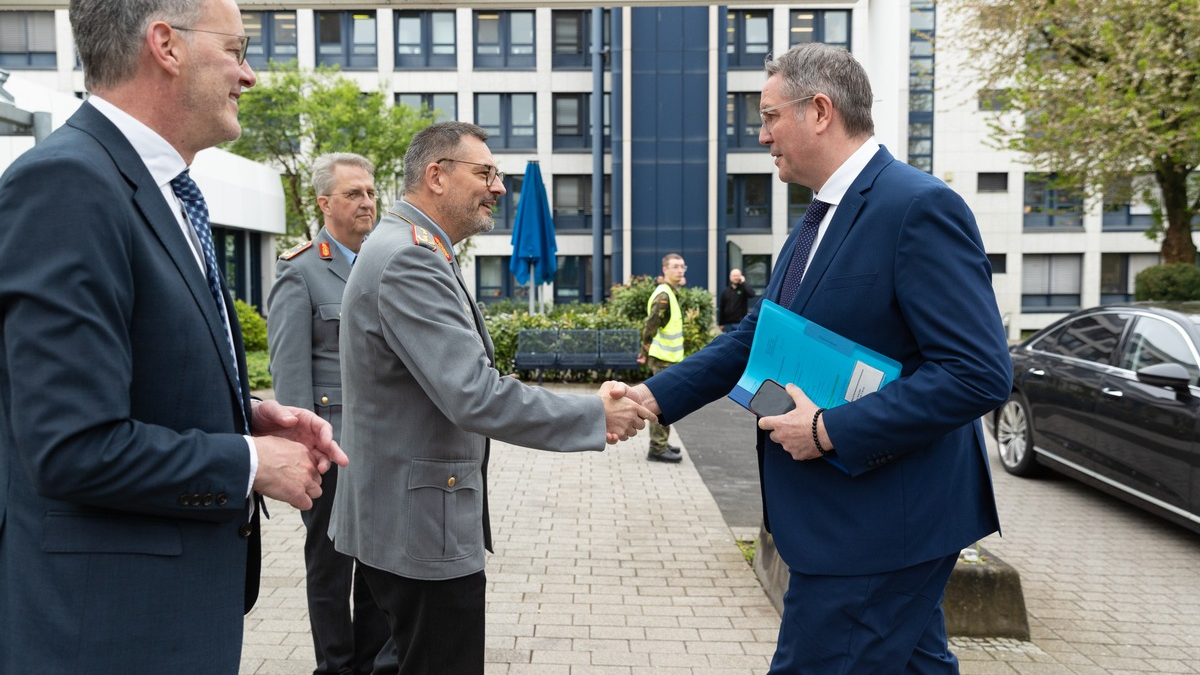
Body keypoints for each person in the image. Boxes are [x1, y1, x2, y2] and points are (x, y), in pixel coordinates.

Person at [629, 43, 1012, 674]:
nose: (762, 134)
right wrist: (654, 396)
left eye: (770, 115)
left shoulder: (916, 207)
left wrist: (828, 431)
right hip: (859, 522)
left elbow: (977, 374)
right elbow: (757, 335)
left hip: (878, 526)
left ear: (820, 111)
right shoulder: (818, 217)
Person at [0, 1, 347, 673]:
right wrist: (249, 460)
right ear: (166, 45)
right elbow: (72, 445)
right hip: (105, 635)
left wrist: (246, 415)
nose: (249, 75)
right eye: (237, 49)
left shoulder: (156, 187)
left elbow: (131, 377)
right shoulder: (67, 184)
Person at [327, 121, 652, 675]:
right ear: (436, 176)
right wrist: (594, 415)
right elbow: (475, 395)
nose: (499, 187)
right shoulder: (410, 257)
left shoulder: (409, 246)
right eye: (485, 173)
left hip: (404, 521)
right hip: (421, 531)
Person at [267, 153, 397, 675]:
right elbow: (290, 375)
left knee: (378, 568)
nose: (367, 202)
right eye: (353, 194)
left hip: (383, 446)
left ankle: (369, 664)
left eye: (370, 192)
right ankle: (336, 667)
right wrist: (307, 450)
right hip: (331, 448)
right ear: (325, 203)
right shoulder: (300, 270)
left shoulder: (384, 262)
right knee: (330, 568)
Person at [637, 253, 687, 463]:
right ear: (664, 269)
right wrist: (644, 349)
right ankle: (657, 448)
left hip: (669, 357)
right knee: (661, 403)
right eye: (675, 266)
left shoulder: (671, 292)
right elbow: (651, 324)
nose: (680, 270)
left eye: (682, 266)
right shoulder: (664, 295)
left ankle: (662, 443)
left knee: (666, 402)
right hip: (663, 358)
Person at [717, 268, 756, 333]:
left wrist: (743, 282)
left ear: (741, 277)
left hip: (740, 323)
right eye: (734, 276)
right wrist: (721, 323)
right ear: (730, 277)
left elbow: (752, 294)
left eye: (737, 276)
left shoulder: (743, 289)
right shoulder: (725, 291)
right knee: (728, 342)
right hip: (727, 324)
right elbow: (722, 307)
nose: (736, 277)